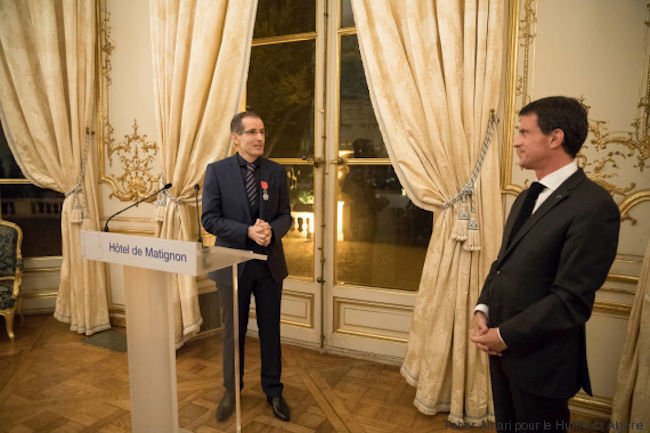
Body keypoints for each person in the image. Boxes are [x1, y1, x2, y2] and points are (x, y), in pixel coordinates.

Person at [471, 96, 620, 433]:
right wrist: (483, 308)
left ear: (555, 138)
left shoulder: (594, 206)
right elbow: (502, 263)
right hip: (502, 353)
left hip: (542, 363)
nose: (516, 141)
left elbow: (571, 300)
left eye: (524, 132)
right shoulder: (527, 196)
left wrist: (505, 334)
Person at [201, 111, 292, 422]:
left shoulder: (276, 172)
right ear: (235, 137)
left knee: (271, 331)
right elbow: (209, 219)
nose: (259, 138)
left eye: (262, 131)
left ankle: (274, 391)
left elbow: (285, 216)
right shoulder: (217, 172)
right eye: (252, 132)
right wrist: (246, 232)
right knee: (233, 333)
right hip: (232, 266)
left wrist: (271, 231)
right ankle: (231, 391)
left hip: (268, 265)